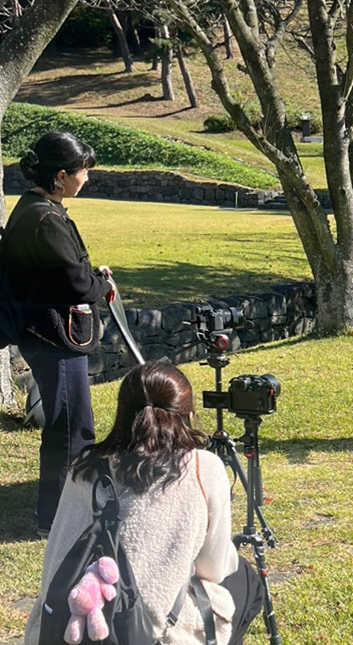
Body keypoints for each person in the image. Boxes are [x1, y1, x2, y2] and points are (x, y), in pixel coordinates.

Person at [24, 361, 264, 645]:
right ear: (189, 413)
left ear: (122, 411)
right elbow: (214, 568)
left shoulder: (83, 465)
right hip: (150, 634)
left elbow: (55, 556)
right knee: (246, 581)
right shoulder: (202, 468)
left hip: (56, 629)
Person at [3, 131, 116, 536]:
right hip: (54, 337)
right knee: (71, 428)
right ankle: (55, 517)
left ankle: (60, 511)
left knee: (68, 424)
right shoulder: (44, 218)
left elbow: (64, 273)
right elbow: (74, 285)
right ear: (60, 177)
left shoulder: (38, 208)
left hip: (44, 334)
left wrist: (91, 276)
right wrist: (100, 284)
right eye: (82, 170)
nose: (86, 177)